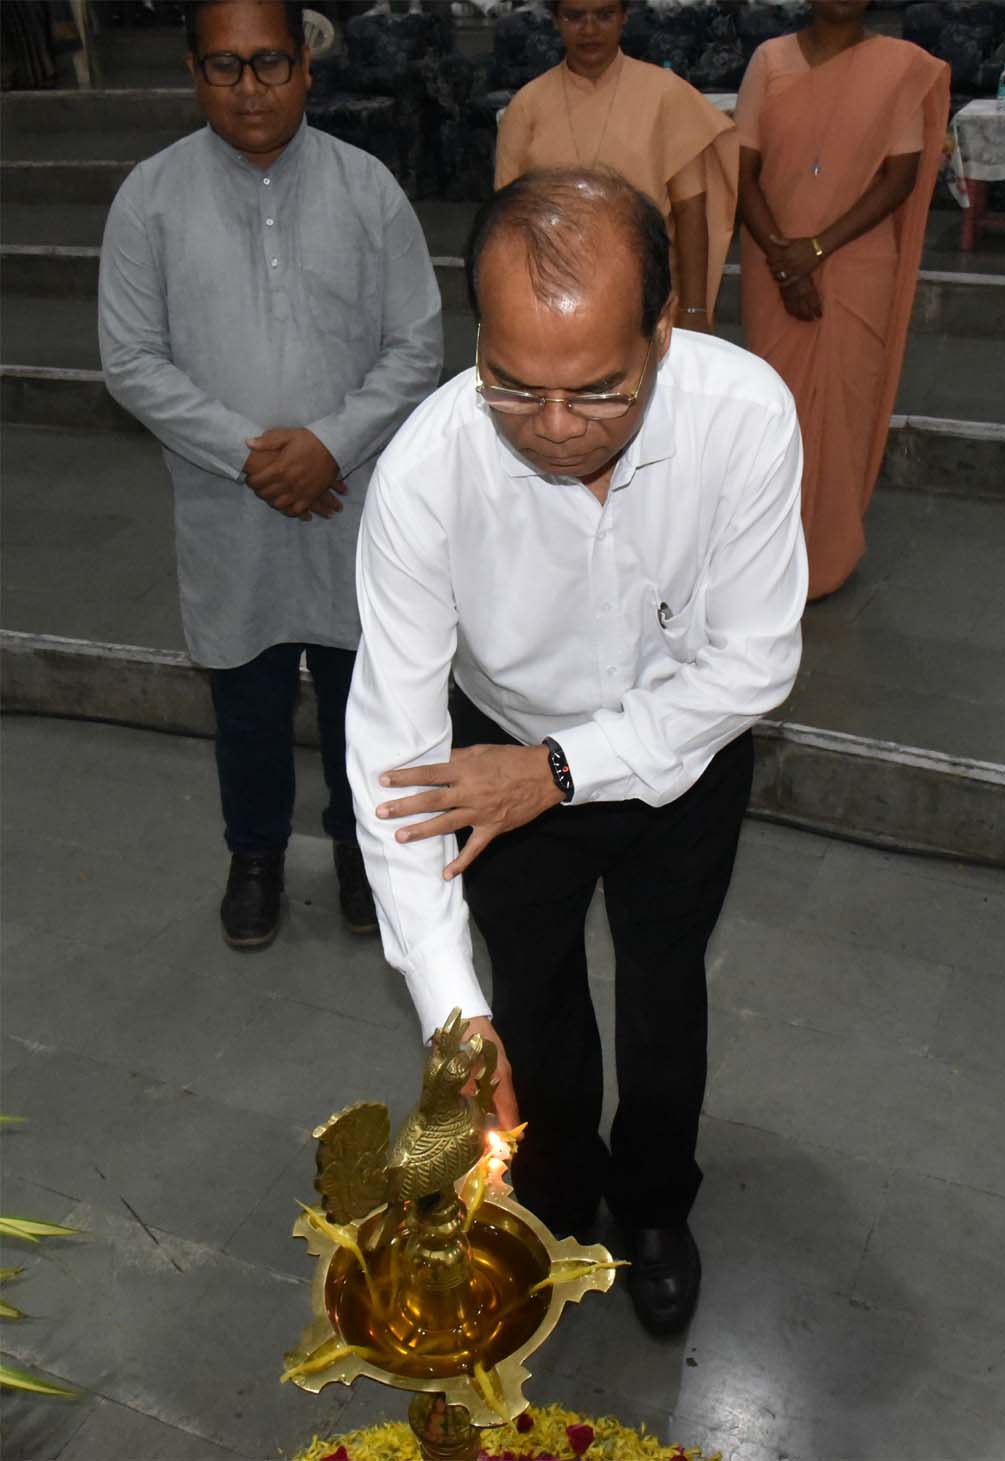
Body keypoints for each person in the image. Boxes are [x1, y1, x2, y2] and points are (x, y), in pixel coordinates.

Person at [345, 168, 806, 1336]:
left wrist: (557, 770)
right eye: (513, 385)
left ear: (664, 328)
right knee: (530, 992)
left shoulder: (743, 416)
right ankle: (553, 1199)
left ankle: (653, 1206)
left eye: (599, 391)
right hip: (496, 748)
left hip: (680, 749)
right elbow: (393, 754)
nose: (553, 428)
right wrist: (451, 1017)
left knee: (663, 985)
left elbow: (754, 662)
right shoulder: (426, 472)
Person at [98, 0, 443, 950]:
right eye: (225, 66)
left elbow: (417, 345)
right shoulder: (150, 198)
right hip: (228, 504)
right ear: (193, 71)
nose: (249, 88)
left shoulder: (368, 189)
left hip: (352, 499)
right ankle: (254, 855)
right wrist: (256, 456)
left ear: (305, 66)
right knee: (245, 699)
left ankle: (359, 848)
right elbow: (130, 360)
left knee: (359, 693)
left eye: (269, 63)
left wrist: (329, 444)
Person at [735, 0, 949, 599]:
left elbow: (899, 177)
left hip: (856, 260)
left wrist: (816, 250)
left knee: (846, 405)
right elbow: (742, 171)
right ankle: (765, 556)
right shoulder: (770, 60)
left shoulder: (898, 67)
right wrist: (785, 260)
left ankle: (826, 553)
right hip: (772, 256)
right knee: (774, 410)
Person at [494, 0, 739, 333]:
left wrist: (694, 308)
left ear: (624, 17)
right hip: (553, 298)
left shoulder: (665, 94)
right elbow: (507, 221)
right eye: (575, 17)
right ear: (555, 20)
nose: (590, 30)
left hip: (649, 298)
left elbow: (690, 210)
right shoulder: (527, 106)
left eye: (604, 15)